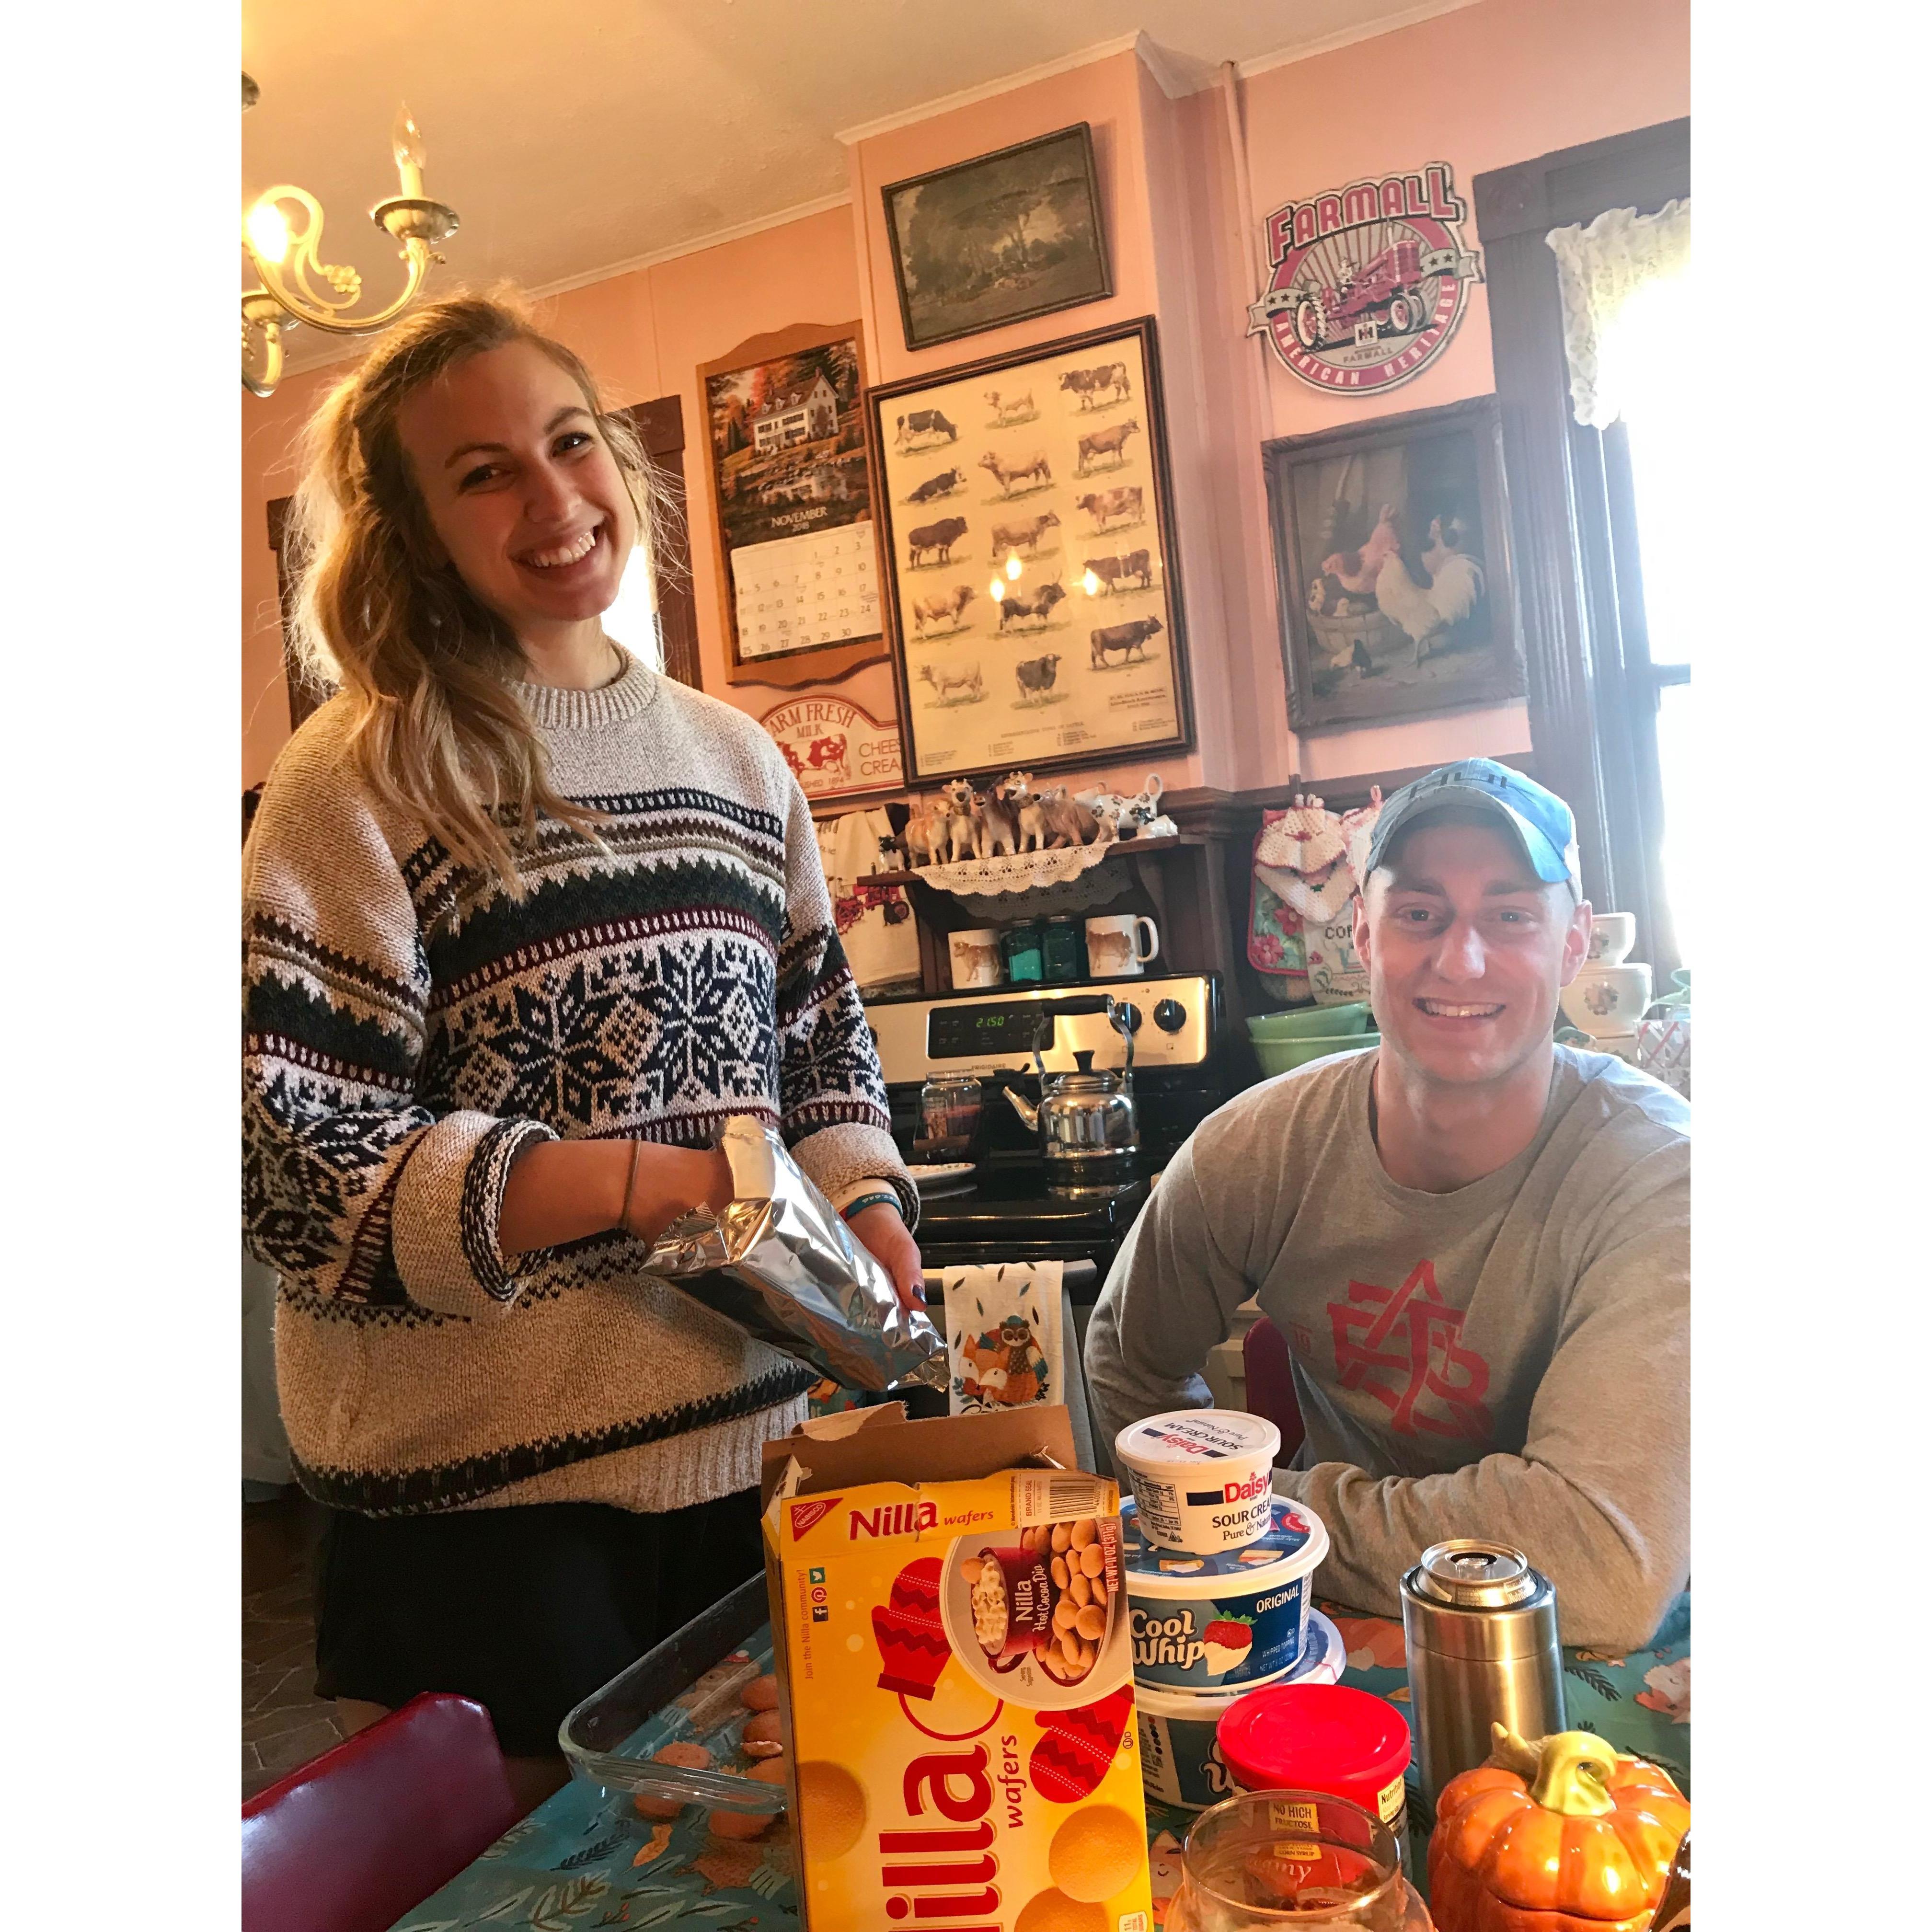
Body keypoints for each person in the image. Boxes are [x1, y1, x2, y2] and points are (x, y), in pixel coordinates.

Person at [242, 292, 921, 1805]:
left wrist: (868, 1202)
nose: (554, 501)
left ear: (622, 460)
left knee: (753, 1878)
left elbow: (817, 1036)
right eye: (483, 472)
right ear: (415, 530)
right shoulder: (355, 774)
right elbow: (295, 1176)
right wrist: (627, 1186)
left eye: (569, 444)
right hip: (479, 1515)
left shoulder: (738, 758)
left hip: (755, 1463)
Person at [1086, 759, 1688, 1653]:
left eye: (1510, 915)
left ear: (1574, 943)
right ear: (1362, 934)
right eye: (1419, 914)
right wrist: (1227, 1540)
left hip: (1634, 1666)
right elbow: (1126, 1365)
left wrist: (1250, 1512)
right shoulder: (1253, 1151)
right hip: (1357, 1635)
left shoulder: (1663, 1178)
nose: (1461, 958)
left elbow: (1599, 1569)